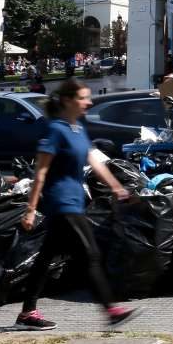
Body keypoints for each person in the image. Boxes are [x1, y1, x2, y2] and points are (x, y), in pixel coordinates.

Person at [15, 78, 140, 330]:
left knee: (45, 257)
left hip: (75, 201)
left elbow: (95, 162)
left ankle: (27, 313)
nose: (89, 102)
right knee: (90, 254)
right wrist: (30, 209)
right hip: (61, 203)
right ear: (68, 100)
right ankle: (111, 310)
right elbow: (40, 172)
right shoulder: (55, 130)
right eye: (84, 97)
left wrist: (117, 188)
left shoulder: (78, 129)